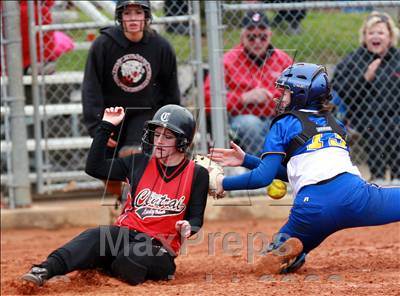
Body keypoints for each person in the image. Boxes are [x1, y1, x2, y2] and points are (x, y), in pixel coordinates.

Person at [209, 63, 400, 274]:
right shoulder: (337, 125)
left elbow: (264, 178)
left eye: (285, 92)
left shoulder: (283, 123)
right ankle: (295, 251)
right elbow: (298, 172)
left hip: (312, 209)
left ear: (302, 94)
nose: (279, 97)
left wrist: (222, 183)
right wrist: (246, 159)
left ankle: (295, 254)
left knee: (277, 259)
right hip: (356, 197)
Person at [21, 104, 209, 286]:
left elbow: (195, 218)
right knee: (94, 237)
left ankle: (105, 267)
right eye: (157, 134)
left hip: (159, 248)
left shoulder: (197, 174)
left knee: (133, 257)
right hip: (124, 234)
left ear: (183, 142)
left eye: (167, 137)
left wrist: (187, 227)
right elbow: (94, 168)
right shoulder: (138, 162)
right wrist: (106, 126)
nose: (159, 141)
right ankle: (44, 270)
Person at [82, 0, 181, 200]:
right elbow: (91, 88)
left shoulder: (160, 46)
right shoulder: (103, 45)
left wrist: (173, 124)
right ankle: (125, 200)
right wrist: (97, 126)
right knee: (104, 170)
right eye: (127, 13)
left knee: (133, 154)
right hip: (113, 114)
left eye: (138, 12)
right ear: (120, 17)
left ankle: (138, 204)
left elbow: (171, 88)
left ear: (147, 16)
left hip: (145, 113)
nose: (133, 18)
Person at [204, 10, 293, 156]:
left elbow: (296, 93)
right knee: (251, 125)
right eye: (251, 37)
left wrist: (273, 97)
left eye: (262, 36)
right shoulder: (227, 61)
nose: (257, 41)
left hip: (276, 115)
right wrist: (243, 98)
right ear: (242, 36)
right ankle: (260, 170)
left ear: (270, 34)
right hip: (240, 119)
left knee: (288, 124)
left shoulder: (283, 60)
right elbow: (208, 98)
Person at [331, 11, 400, 183]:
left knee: (394, 125)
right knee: (375, 125)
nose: (375, 36)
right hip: (361, 116)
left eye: (381, 32)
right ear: (364, 36)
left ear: (390, 36)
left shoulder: (397, 59)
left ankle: (397, 177)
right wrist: (365, 78)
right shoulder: (354, 60)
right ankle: (378, 177)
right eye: (371, 33)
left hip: (394, 115)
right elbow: (340, 89)